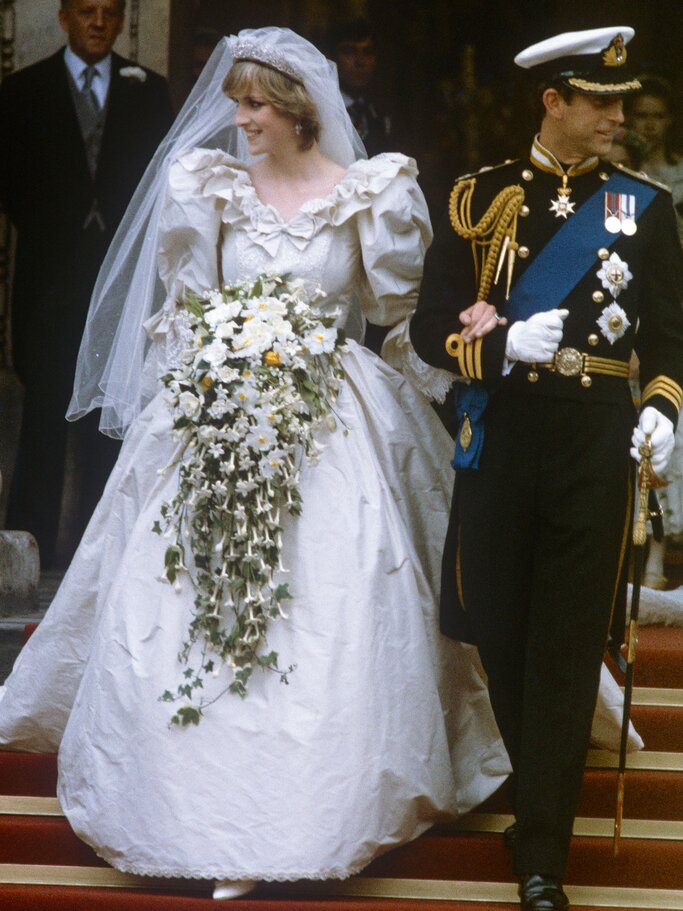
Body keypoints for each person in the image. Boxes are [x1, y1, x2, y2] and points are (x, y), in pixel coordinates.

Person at [0, 27, 512, 898]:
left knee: (338, 599)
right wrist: (209, 393)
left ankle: (313, 808)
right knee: (188, 595)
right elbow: (189, 308)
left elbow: (389, 309)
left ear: (297, 111)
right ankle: (188, 805)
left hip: (329, 411)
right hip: (220, 402)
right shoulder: (208, 191)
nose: (236, 120)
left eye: (253, 106)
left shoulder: (370, 193)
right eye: (236, 103)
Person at [410, 26, 683, 911]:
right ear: (552, 103)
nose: (614, 117)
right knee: (501, 630)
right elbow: (424, 329)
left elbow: (671, 336)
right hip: (501, 443)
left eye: (619, 101)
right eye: (596, 102)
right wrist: (491, 354)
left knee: (566, 647)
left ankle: (541, 857)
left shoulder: (643, 207)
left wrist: (661, 407)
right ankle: (537, 810)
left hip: (594, 446)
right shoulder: (474, 198)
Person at [0, 0, 173, 568]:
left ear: (122, 20)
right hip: (50, 280)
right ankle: (32, 553)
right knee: (46, 413)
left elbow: (163, 179)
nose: (97, 22)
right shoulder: (24, 90)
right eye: (85, 11)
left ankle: (101, 554)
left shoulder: (148, 89)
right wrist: (64, 223)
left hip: (119, 284)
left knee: (113, 415)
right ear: (64, 18)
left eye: (108, 12)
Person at [628, 75, 683, 241]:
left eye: (658, 116)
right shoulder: (619, 166)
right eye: (642, 116)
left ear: (670, 120)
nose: (650, 125)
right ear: (628, 117)